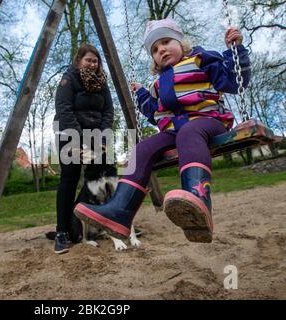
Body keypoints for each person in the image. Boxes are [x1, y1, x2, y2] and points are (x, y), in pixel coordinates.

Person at [74, 18, 250, 243]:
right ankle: (120, 211)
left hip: (208, 121)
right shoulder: (158, 84)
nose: (161, 50)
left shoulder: (201, 59)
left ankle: (198, 198)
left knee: (189, 132)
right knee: (142, 149)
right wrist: (141, 95)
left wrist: (236, 50)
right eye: (155, 49)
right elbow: (155, 114)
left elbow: (236, 82)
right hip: (176, 131)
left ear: (181, 42)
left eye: (166, 41)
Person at [53, 43, 114, 254]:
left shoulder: (102, 83)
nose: (92, 64)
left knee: (100, 178)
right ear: (79, 61)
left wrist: (103, 137)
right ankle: (62, 232)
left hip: (95, 135)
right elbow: (64, 109)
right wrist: (77, 141)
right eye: (88, 60)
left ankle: (86, 222)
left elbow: (108, 111)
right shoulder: (69, 79)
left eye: (95, 61)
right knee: (69, 180)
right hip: (69, 134)